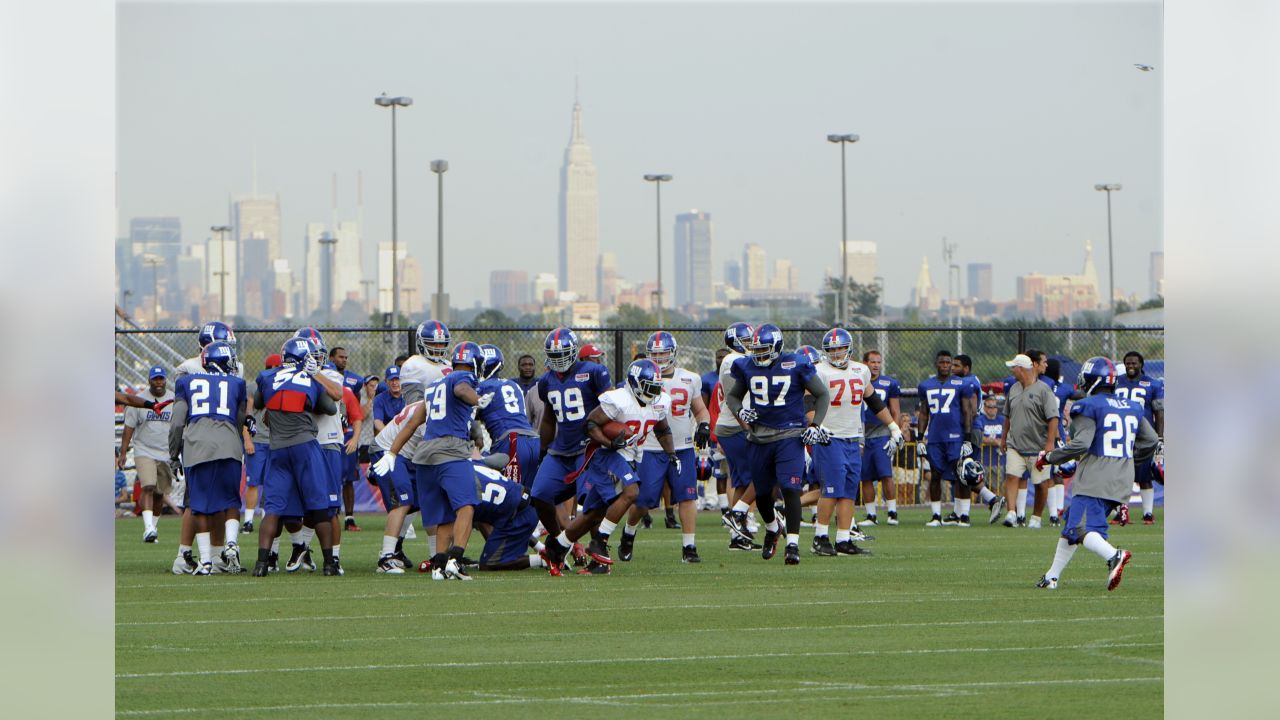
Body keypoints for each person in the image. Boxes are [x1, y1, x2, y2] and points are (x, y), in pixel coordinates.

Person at [1035, 357, 1158, 591]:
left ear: (1093, 379)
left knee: (1079, 529)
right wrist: (1129, 459)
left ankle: (1114, 555)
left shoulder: (1088, 405)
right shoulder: (1132, 406)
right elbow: (1151, 440)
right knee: (1072, 526)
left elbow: (1081, 444)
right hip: (1122, 479)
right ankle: (1051, 577)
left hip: (1095, 477)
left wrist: (1050, 457)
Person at [542, 358, 675, 575]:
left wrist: (672, 454)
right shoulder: (619, 399)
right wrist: (609, 442)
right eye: (649, 388)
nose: (654, 393)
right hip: (605, 453)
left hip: (630, 455)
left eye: (656, 388)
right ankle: (600, 541)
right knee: (632, 491)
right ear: (634, 384)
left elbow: (662, 429)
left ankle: (557, 547)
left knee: (593, 514)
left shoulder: (660, 402)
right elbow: (589, 424)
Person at [724, 323, 832, 565]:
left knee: (791, 488)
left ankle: (792, 545)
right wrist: (741, 411)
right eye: (756, 349)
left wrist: (815, 427)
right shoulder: (746, 365)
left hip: (790, 435)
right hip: (759, 438)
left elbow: (822, 394)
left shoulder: (796, 364)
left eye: (764, 349)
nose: (759, 354)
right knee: (762, 495)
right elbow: (732, 396)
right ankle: (772, 528)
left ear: (777, 347)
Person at [383, 341, 485, 580]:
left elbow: (413, 423)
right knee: (467, 506)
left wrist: (392, 452)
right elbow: (462, 389)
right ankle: (456, 560)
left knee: (445, 515)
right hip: (450, 449)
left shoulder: (434, 385)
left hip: (424, 455)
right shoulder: (462, 378)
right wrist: (477, 399)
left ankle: (439, 564)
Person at [250, 336, 342, 577]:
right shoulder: (309, 378)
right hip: (305, 446)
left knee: (273, 510)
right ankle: (330, 564)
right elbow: (331, 407)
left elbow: (259, 402)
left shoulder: (267, 376)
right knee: (319, 506)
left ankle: (262, 564)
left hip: (277, 448)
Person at [618, 332, 711, 563]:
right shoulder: (639, 377)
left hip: (683, 447)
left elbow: (700, 409)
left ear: (673, 353)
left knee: (688, 496)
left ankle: (689, 547)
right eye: (655, 354)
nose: (659, 358)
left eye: (663, 353)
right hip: (649, 448)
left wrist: (704, 425)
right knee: (644, 500)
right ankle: (629, 533)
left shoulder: (690, 378)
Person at [810, 329, 902, 557]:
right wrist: (816, 426)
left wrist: (893, 427)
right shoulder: (818, 371)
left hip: (853, 438)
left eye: (840, 348)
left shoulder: (860, 371)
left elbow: (875, 402)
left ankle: (843, 539)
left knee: (849, 491)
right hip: (829, 438)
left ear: (848, 348)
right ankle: (820, 538)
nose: (836, 353)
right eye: (831, 349)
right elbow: (807, 405)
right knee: (830, 489)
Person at [168, 342, 248, 575]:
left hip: (197, 446)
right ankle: (231, 544)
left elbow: (177, 423)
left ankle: (205, 562)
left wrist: (173, 454)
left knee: (200, 506)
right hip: (229, 444)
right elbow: (240, 419)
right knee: (231, 501)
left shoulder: (185, 382)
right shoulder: (238, 383)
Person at [527, 328, 612, 546]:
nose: (559, 360)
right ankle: (558, 543)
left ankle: (599, 552)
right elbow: (548, 419)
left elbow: (612, 407)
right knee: (539, 495)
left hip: (588, 448)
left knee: (591, 503)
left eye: (563, 354)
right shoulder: (546, 381)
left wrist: (607, 439)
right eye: (554, 355)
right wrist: (543, 450)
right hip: (561, 449)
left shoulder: (594, 371)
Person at [917, 350, 1003, 527]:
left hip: (959, 434)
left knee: (963, 473)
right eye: (944, 363)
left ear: (965, 367)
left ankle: (968, 512)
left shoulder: (964, 383)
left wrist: (967, 437)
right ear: (936, 363)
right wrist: (920, 438)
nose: (948, 366)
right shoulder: (927, 385)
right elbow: (924, 412)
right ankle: (945, 515)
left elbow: (968, 411)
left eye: (952, 364)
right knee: (939, 474)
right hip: (936, 436)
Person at [716, 322, 764, 551]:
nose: (751, 344)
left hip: (736, 425)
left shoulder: (739, 360)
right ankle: (739, 516)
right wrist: (746, 428)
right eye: (747, 340)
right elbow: (733, 402)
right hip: (735, 426)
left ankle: (738, 533)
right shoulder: (732, 361)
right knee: (755, 476)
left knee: (742, 480)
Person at [999, 354, 1060, 528]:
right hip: (1015, 445)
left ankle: (1036, 518)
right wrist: (1004, 438)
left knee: (1041, 484)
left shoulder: (1044, 390)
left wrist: (1049, 443)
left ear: (1022, 369)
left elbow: (1053, 418)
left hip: (1038, 446)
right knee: (1011, 476)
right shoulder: (1013, 389)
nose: (1012, 371)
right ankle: (1011, 513)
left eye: (1014, 367)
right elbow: (1008, 416)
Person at [118, 365, 175, 543]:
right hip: (144, 449)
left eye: (161, 379)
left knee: (159, 493)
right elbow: (129, 427)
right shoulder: (139, 400)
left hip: (165, 451)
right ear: (149, 380)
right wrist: (123, 452)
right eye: (155, 379)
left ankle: (153, 528)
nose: (158, 382)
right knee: (148, 486)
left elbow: (179, 426)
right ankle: (148, 527)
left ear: (165, 380)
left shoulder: (174, 399)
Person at [475, 344, 542, 489]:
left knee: (509, 497)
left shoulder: (482, 388)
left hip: (512, 443)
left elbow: (467, 418)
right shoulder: (513, 384)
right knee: (530, 498)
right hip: (534, 441)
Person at [1113, 351, 1165, 524]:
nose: (1130, 366)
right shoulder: (1117, 382)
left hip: (1143, 435)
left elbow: (1159, 411)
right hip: (1121, 434)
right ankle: (1120, 512)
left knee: (1144, 476)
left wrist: (1160, 438)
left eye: (1134, 363)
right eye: (1127, 363)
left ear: (1141, 365)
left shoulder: (1153, 384)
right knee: (1119, 476)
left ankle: (1148, 513)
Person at [859, 350, 902, 527]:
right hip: (861, 433)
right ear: (865, 363)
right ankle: (871, 515)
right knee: (866, 476)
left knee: (885, 474)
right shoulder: (857, 381)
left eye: (878, 362)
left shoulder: (889, 383)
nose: (876, 365)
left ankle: (892, 512)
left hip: (881, 432)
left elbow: (895, 410)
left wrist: (895, 433)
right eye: (872, 362)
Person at [241, 354, 282, 533]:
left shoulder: (283, 384)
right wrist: (247, 438)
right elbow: (247, 415)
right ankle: (248, 520)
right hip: (258, 440)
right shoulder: (255, 387)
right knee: (253, 482)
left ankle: (266, 517)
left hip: (275, 440)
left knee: (271, 483)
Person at [329, 346, 366, 532]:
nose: (344, 360)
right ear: (331, 359)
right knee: (329, 477)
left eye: (346, 357)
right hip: (326, 436)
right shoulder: (321, 380)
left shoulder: (352, 384)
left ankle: (349, 517)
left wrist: (355, 437)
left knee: (348, 478)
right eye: (340, 357)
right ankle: (329, 513)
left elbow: (356, 412)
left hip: (346, 434)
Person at [974, 394, 1006, 479]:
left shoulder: (1003, 420)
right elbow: (979, 437)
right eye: (989, 407)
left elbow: (1008, 436)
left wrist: (1000, 441)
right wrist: (995, 441)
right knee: (980, 489)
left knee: (997, 489)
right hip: (982, 461)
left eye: (994, 407)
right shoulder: (979, 420)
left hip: (999, 462)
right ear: (984, 408)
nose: (992, 409)